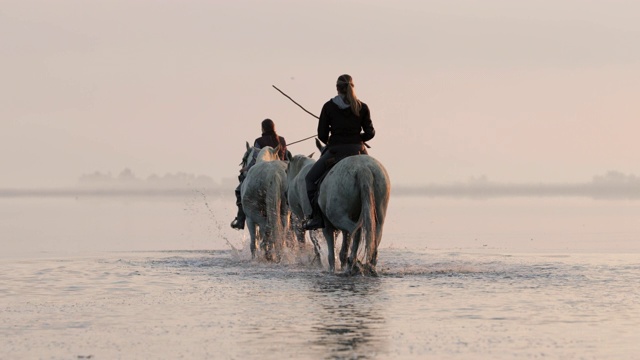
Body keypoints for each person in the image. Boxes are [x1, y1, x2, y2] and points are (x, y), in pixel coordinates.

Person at [303, 74, 375, 230]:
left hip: (336, 150)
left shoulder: (328, 107)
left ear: (337, 88)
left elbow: (322, 135)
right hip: (357, 149)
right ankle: (375, 215)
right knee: (373, 179)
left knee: (309, 179)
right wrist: (357, 137)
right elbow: (370, 133)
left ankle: (317, 217)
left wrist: (334, 137)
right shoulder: (362, 107)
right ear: (352, 87)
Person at [231, 118, 288, 230]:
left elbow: (255, 159)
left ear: (262, 128)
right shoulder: (282, 140)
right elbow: (285, 158)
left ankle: (240, 219)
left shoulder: (259, 141)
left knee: (239, 190)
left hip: (262, 173)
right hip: (282, 171)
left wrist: (247, 168)